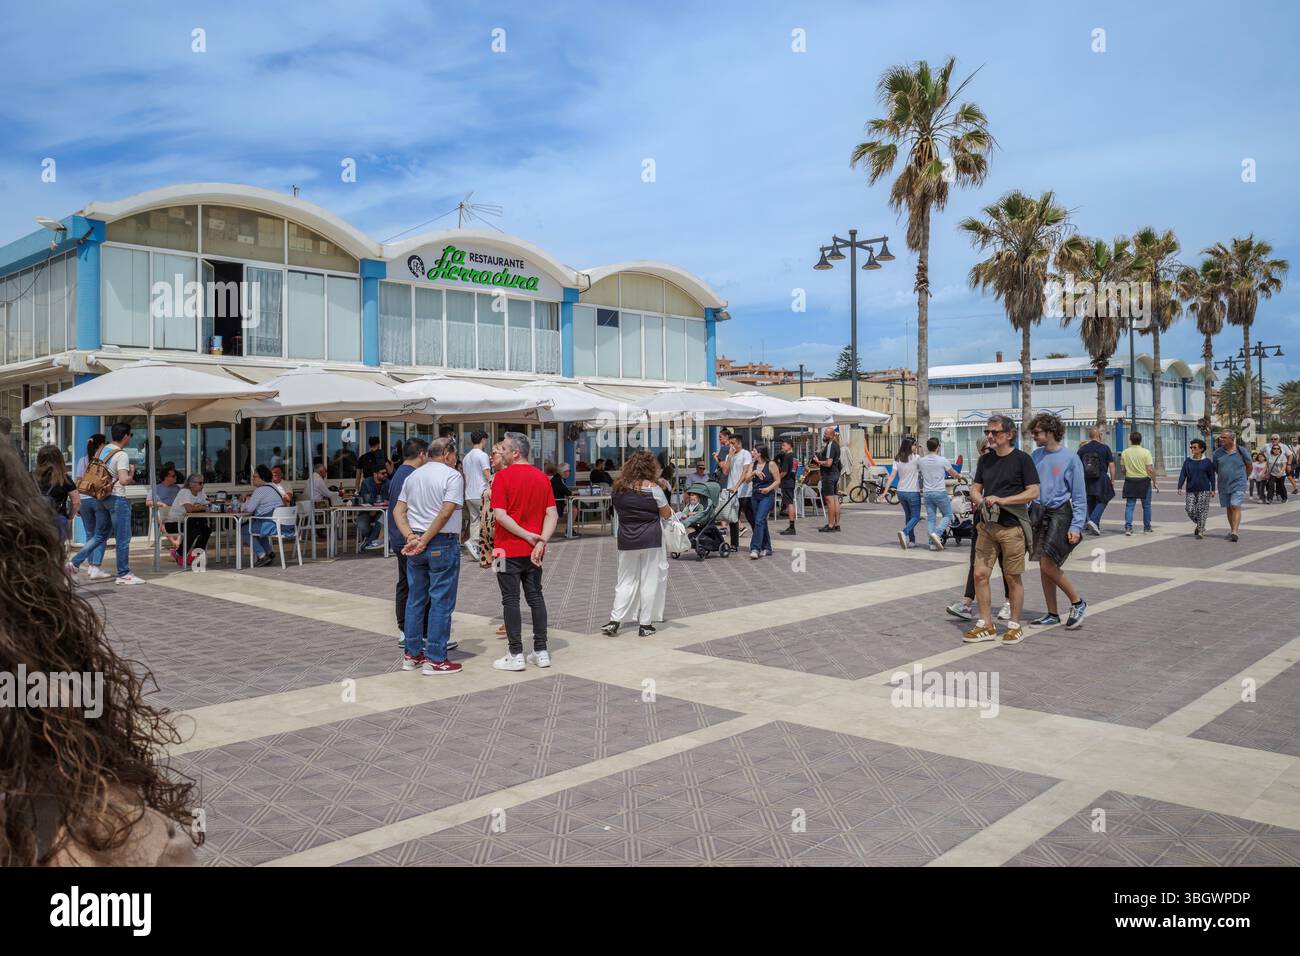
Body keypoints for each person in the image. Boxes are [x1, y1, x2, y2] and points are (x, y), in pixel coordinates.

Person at [0, 441, 200, 866]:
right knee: (109, 537)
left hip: (87, 510)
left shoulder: (76, 465)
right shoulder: (121, 837)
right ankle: (114, 569)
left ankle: (87, 562)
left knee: (96, 537)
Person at [963, 415, 1039, 645]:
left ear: (1008, 434)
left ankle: (1014, 626)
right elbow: (975, 488)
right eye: (988, 432)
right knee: (979, 574)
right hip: (987, 526)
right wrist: (980, 498)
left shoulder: (1022, 459)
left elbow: (1033, 492)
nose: (989, 436)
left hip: (1012, 527)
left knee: (1012, 577)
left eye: (994, 432)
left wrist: (1003, 500)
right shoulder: (985, 461)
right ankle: (986, 624)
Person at [394, 437, 464, 676]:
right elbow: (446, 512)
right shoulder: (452, 476)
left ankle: (412, 654)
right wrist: (423, 539)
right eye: (454, 454)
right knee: (441, 601)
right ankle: (435, 658)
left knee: (416, 599)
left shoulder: (413, 476)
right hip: (441, 542)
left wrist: (410, 536)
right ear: (447, 454)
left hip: (417, 543)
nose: (456, 459)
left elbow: (398, 510)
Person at [491, 432, 558, 671]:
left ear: (515, 452)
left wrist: (526, 535)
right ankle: (541, 651)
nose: (502, 452)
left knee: (510, 599)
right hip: (533, 550)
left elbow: (500, 515)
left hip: (505, 547)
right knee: (535, 597)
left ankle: (515, 652)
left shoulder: (501, 477)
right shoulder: (542, 478)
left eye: (505, 449)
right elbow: (553, 514)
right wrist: (540, 541)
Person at [601, 450, 674, 636]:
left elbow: (618, 511)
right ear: (650, 468)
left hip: (626, 539)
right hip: (651, 539)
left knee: (624, 580)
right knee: (649, 581)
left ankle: (614, 620)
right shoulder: (654, 489)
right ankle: (645, 624)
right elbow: (666, 514)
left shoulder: (618, 489)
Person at [1027, 413, 1088, 629]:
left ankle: (1078, 602)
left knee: (1047, 563)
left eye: (1037, 432)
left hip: (1060, 514)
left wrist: (1077, 525)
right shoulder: (1035, 456)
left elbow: (1079, 495)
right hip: (1038, 513)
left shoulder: (1071, 458)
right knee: (1044, 566)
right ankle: (1052, 613)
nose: (1034, 436)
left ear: (1051, 432)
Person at [69, 422, 144, 586]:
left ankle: (74, 562)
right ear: (126, 436)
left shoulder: (101, 450)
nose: (130, 438)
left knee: (99, 535)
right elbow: (123, 480)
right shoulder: (121, 454)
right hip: (116, 498)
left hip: (100, 498)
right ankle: (124, 573)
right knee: (123, 538)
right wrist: (131, 472)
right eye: (130, 435)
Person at [946, 436, 1012, 623]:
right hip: (982, 519)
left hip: (1004, 519)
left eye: (991, 447)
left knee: (1005, 563)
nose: (989, 451)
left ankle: (1008, 603)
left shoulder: (1008, 466)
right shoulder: (978, 469)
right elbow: (974, 493)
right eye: (985, 449)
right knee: (976, 563)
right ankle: (967, 603)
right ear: (980, 451)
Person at [387, 437, 429, 645]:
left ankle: (407, 628)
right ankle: (410, 629)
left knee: (406, 582)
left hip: (399, 536)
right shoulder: (411, 475)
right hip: (407, 537)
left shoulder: (398, 474)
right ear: (421, 453)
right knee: (414, 584)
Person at [68, 434, 112, 581]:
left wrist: (78, 502)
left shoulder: (82, 460)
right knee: (101, 535)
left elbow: (78, 481)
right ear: (101, 445)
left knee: (90, 534)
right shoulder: (103, 461)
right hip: (98, 499)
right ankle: (95, 567)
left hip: (84, 500)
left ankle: (91, 566)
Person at [240, 464, 291, 568]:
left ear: (262, 478)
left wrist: (244, 503)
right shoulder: (274, 487)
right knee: (256, 529)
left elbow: (249, 509)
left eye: (254, 477)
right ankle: (269, 552)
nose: (252, 479)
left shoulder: (260, 490)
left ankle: (262, 555)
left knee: (243, 530)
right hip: (282, 523)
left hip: (271, 523)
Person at [919, 437, 962, 550]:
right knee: (948, 515)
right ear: (938, 447)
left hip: (927, 493)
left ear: (928, 448)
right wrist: (959, 476)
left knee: (931, 518)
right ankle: (937, 534)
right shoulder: (942, 460)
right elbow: (953, 473)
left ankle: (931, 543)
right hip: (939, 492)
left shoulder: (922, 461)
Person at [1212, 429, 1251, 542]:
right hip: (1223, 484)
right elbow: (1216, 468)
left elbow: (1249, 465)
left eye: (1224, 438)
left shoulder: (1241, 451)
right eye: (1221, 437)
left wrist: (1244, 477)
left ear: (1231, 439)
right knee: (1229, 507)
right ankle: (1232, 529)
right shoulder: (1217, 453)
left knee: (1235, 505)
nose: (1221, 439)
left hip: (1238, 483)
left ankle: (1235, 531)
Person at [36, 444, 79, 547]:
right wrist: (70, 517)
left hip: (37, 518)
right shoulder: (64, 479)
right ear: (59, 459)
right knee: (57, 551)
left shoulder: (33, 477)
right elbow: (76, 502)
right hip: (58, 518)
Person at [1076, 425, 1116, 535]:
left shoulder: (1082, 449)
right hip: (1101, 477)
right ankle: (1093, 521)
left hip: (1087, 479)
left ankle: (1094, 526)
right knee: (1104, 499)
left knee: (1091, 501)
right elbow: (1112, 465)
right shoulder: (1105, 448)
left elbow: (1077, 466)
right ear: (1099, 435)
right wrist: (1112, 480)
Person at [744, 443, 781, 559]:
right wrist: (754, 472)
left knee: (759, 520)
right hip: (755, 496)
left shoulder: (771, 464)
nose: (752, 452)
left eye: (753, 451)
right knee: (760, 522)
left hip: (767, 496)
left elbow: (777, 480)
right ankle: (767, 547)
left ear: (759, 453)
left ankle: (755, 548)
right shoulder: (752, 465)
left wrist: (768, 489)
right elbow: (746, 480)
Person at [718, 433, 754, 549]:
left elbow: (745, 472)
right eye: (730, 443)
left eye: (733, 443)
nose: (731, 445)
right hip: (731, 491)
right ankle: (734, 544)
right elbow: (725, 472)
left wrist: (737, 486)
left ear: (739, 443)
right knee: (733, 518)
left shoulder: (746, 454)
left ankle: (759, 540)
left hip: (744, 491)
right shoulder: (730, 455)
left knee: (750, 517)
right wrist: (729, 457)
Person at [168, 473, 213, 562]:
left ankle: (194, 555)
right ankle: (179, 554)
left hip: (190, 521)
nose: (202, 485)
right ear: (191, 484)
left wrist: (203, 506)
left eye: (203, 483)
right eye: (200, 483)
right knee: (195, 531)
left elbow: (208, 504)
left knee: (206, 530)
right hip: (174, 523)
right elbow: (189, 509)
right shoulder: (184, 492)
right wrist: (203, 507)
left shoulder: (201, 492)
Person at [1120, 431, 1158, 535]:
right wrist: (1155, 482)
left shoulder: (1125, 452)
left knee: (1130, 505)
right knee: (1146, 506)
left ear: (1130, 440)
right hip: (1144, 481)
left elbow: (1122, 470)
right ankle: (1147, 527)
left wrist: (1128, 471)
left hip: (1130, 480)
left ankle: (1128, 527)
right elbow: (1150, 469)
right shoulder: (1146, 452)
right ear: (1140, 440)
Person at [1177, 439, 1216, 538]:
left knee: (1201, 509)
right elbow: (1183, 474)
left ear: (1201, 449)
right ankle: (1200, 524)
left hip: (1204, 489)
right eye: (1191, 447)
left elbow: (1212, 476)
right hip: (1191, 489)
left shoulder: (1207, 462)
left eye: (1195, 447)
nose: (1192, 449)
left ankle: (1201, 531)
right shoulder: (1188, 461)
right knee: (1189, 509)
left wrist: (1213, 489)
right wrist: (1180, 486)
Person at [461, 431, 491, 560]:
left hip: (469, 494)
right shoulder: (482, 455)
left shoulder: (466, 457)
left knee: (474, 521)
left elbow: (466, 477)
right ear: (483, 440)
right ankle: (479, 545)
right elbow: (486, 474)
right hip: (481, 492)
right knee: (487, 519)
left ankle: (474, 545)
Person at [891, 437, 922, 549]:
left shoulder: (897, 458)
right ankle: (904, 532)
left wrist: (885, 491)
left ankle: (912, 541)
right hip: (913, 491)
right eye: (915, 444)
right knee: (916, 517)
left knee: (909, 516)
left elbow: (893, 475)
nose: (916, 446)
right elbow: (923, 468)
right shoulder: (916, 458)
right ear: (910, 446)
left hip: (901, 492)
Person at [812, 427, 843, 532]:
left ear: (831, 435)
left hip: (829, 475)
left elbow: (828, 463)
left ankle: (830, 525)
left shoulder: (830, 445)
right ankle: (837, 524)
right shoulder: (836, 445)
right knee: (835, 500)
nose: (824, 435)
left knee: (829, 501)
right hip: (835, 474)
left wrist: (818, 461)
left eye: (826, 434)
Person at [354, 463, 388, 551]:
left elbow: (389, 499)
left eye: (385, 473)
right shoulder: (366, 482)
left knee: (381, 521)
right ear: (375, 474)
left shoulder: (388, 482)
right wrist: (375, 506)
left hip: (381, 512)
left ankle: (368, 543)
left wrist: (376, 509)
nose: (385, 475)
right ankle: (371, 539)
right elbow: (365, 498)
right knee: (361, 525)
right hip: (367, 511)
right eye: (382, 473)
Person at [775, 438, 798, 535]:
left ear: (789, 446)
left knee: (789, 504)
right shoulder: (794, 456)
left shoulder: (787, 456)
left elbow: (784, 472)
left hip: (787, 482)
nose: (782, 447)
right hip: (791, 481)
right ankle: (791, 526)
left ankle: (792, 527)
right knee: (789, 503)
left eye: (784, 445)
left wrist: (776, 479)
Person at [1264, 438, 1290, 504]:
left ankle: (1284, 498)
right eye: (1274, 448)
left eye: (1278, 448)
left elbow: (1284, 465)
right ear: (1272, 449)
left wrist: (1281, 472)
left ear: (1280, 450)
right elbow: (1267, 465)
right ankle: (1269, 499)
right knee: (1270, 486)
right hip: (1272, 473)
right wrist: (1266, 473)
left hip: (1281, 474)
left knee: (1281, 486)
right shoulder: (1269, 456)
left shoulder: (1282, 456)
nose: (1276, 450)